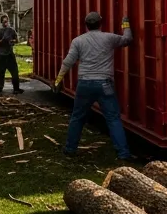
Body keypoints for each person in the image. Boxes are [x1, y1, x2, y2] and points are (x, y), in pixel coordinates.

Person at [54, 11, 134, 161]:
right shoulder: (109, 38)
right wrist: (126, 24)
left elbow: (68, 62)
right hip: (105, 83)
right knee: (113, 119)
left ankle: (70, 149)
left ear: (86, 25)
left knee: (77, 117)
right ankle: (123, 154)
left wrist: (58, 80)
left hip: (84, 84)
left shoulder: (78, 41)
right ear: (101, 23)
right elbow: (128, 40)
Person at [0, 15, 22, 95]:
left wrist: (12, 41)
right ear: (1, 22)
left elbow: (17, 40)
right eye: (4, 22)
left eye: (7, 21)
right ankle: (0, 88)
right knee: (1, 72)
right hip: (1, 54)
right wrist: (2, 41)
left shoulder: (11, 30)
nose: (6, 23)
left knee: (15, 72)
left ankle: (16, 88)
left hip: (9, 54)